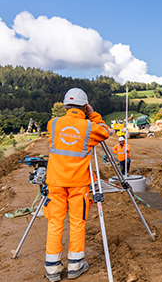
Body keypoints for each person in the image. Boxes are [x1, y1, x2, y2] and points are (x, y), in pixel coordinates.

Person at [44, 88, 110, 282]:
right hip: (78, 184)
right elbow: (106, 131)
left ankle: (52, 269)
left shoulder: (53, 123)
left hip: (55, 183)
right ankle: (75, 265)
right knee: (77, 223)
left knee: (55, 223)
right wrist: (93, 114)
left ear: (65, 106)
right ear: (85, 106)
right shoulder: (89, 127)